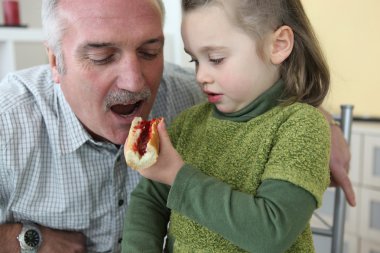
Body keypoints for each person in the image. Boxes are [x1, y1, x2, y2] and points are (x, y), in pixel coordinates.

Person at [0, 0, 353, 252]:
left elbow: (271, 100)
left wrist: (325, 123)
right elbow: (149, 204)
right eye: (102, 56)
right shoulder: (9, 119)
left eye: (151, 52)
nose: (134, 80)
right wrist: (27, 240)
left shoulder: (191, 97)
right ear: (54, 62)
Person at [122, 0, 347, 252]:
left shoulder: (301, 127)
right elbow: (149, 202)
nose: (200, 76)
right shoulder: (188, 123)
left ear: (278, 45)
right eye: (194, 60)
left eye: (216, 59)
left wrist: (177, 175)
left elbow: (271, 233)